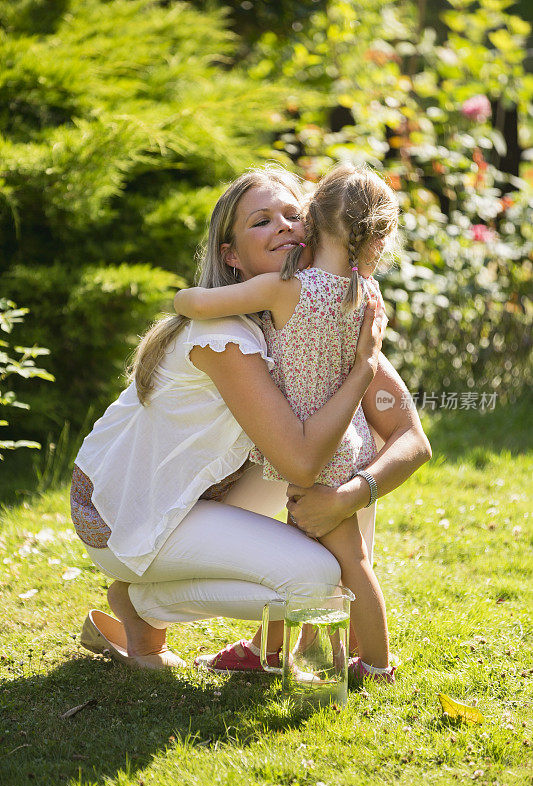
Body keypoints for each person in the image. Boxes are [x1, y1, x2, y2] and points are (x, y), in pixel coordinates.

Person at [70, 166, 431, 678]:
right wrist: (362, 371)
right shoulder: (225, 334)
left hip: (206, 487)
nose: (283, 227)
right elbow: (302, 462)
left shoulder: (326, 312)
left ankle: (279, 647)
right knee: (320, 581)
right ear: (231, 255)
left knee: (352, 454)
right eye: (261, 221)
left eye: (292, 215)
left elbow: (409, 437)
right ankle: (141, 606)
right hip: (128, 509)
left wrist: (349, 497)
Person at [174, 164, 399, 681]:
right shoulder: (365, 295)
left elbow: (205, 304)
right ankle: (269, 650)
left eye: (292, 215)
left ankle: (377, 664)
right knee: (310, 546)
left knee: (350, 564)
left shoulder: (285, 287)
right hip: (346, 438)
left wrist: (180, 300)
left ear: (311, 223)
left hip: (312, 446)